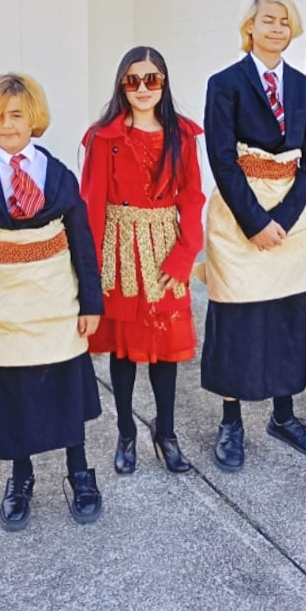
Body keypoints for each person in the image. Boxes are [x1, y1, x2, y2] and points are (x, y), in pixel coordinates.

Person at [0, 73, 104, 531]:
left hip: (56, 300)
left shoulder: (59, 174)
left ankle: (79, 471)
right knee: (14, 391)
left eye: (16, 114)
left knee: (64, 386)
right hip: (1, 307)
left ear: (34, 117)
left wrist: (90, 302)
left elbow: (82, 244)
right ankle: (21, 477)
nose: (7, 124)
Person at [200, 0, 306, 470]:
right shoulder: (225, 84)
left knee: (287, 316)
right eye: (268, 20)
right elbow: (221, 157)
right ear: (250, 27)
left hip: (291, 215)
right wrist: (256, 222)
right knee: (237, 317)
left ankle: (283, 415)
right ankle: (231, 422)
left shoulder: (305, 88)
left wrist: (286, 218)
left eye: (285, 21)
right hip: (240, 216)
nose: (277, 28)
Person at [81, 46, 205, 475]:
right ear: (121, 85)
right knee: (124, 349)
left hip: (165, 247)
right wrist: (90, 270)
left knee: (165, 349)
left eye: (151, 79)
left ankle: (165, 432)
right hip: (119, 250)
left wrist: (185, 254)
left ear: (163, 83)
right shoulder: (103, 137)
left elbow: (192, 197)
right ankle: (126, 432)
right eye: (132, 80)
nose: (142, 88)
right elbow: (92, 203)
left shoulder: (181, 135)